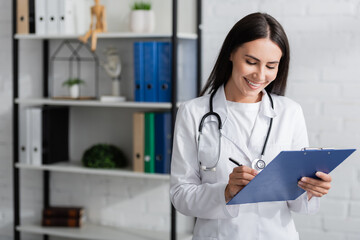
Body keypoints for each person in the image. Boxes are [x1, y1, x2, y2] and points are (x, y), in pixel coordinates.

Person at [170, 12, 332, 240]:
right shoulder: (193, 113)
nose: (260, 75)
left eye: (271, 66)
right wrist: (226, 192)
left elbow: (295, 202)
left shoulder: (290, 112)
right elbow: (180, 195)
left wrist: (310, 190)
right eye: (251, 62)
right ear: (231, 53)